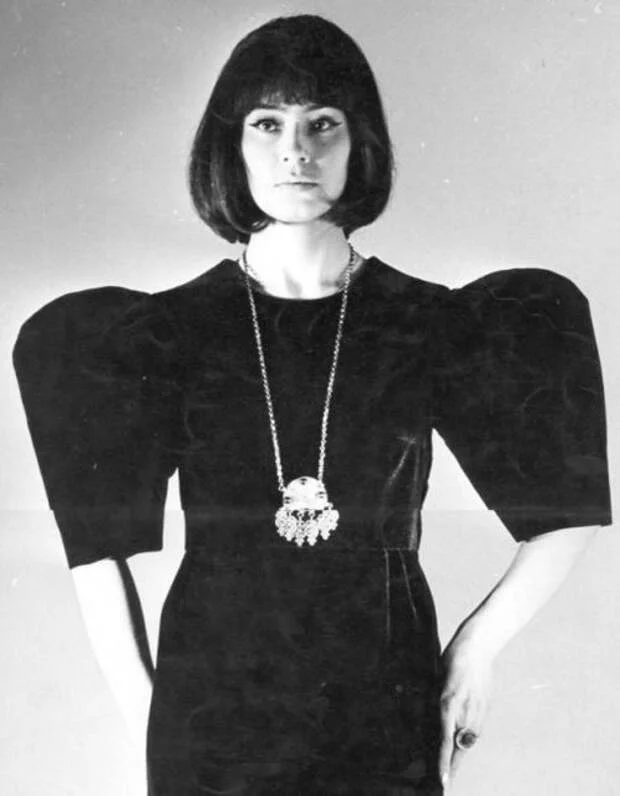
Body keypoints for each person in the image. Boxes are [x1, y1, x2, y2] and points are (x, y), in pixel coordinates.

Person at [13, 14, 611, 796]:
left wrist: (476, 649)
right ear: (231, 146)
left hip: (384, 694)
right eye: (268, 123)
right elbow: (96, 551)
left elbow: (568, 510)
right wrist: (145, 713)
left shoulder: (429, 322)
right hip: (212, 703)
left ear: (360, 143)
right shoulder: (160, 333)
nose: (296, 150)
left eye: (322, 123)